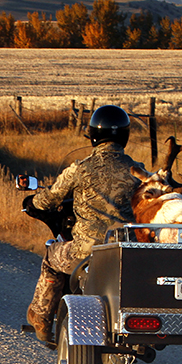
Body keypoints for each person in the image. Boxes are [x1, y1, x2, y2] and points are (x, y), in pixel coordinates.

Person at [25, 104, 144, 344]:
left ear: (93, 136)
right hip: (124, 251)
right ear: (125, 135)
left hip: (84, 251)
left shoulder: (80, 169)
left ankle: (42, 319)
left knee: (51, 258)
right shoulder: (137, 171)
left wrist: (34, 200)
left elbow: (49, 199)